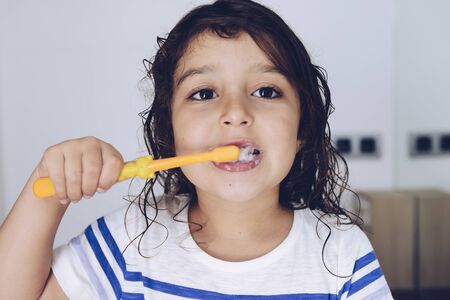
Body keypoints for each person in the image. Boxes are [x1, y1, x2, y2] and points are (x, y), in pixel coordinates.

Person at [0, 0, 393, 299]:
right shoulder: (131, 241)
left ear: (302, 128)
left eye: (266, 91)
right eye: (204, 93)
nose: (236, 113)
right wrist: (50, 188)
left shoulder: (343, 254)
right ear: (169, 131)